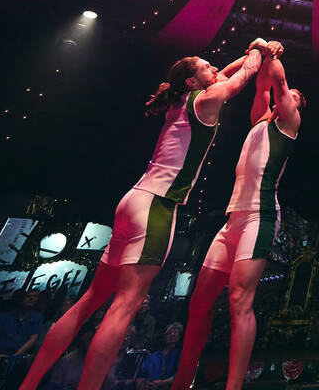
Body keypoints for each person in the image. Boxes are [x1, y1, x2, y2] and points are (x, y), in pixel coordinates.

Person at [19, 41, 275, 390]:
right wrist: (258, 51)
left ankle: (29, 384)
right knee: (125, 305)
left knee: (91, 299)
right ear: (192, 81)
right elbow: (239, 79)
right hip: (156, 207)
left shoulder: (182, 103)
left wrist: (247, 56)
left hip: (131, 201)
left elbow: (226, 72)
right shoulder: (205, 101)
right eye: (206, 66)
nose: (214, 68)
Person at [172, 49, 301, 390]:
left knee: (239, 300)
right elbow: (263, 83)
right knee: (199, 301)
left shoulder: (289, 122)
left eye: (293, 97)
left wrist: (271, 48)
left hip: (260, 217)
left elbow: (278, 78)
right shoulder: (261, 119)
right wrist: (263, 51)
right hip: (232, 220)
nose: (287, 96)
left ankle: (233, 387)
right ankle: (182, 381)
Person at [0, 289, 44, 372]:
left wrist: (15, 356)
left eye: (35, 297)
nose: (32, 299)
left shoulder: (37, 318)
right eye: (29, 296)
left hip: (17, 359)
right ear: (21, 298)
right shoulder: (5, 317)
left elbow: (32, 339)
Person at [136, 322, 182, 389]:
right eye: (169, 332)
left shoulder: (180, 354)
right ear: (165, 335)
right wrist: (148, 384)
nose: (172, 334)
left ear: (179, 337)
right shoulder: (153, 356)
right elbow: (142, 373)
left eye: (175, 332)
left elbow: (180, 375)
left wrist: (163, 383)